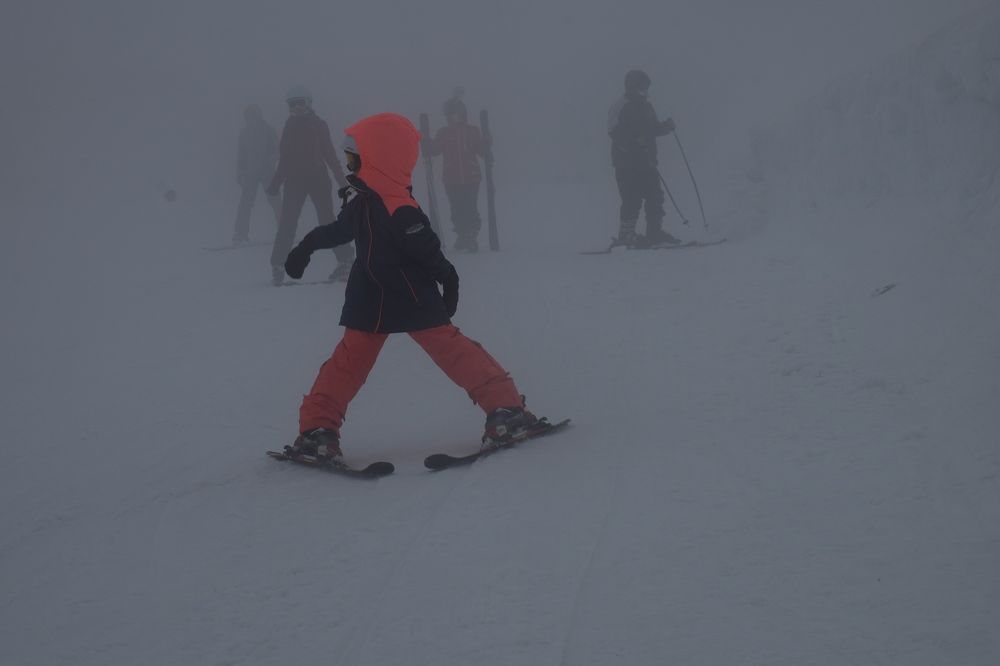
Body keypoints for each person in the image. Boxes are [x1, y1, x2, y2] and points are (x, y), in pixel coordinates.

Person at [282, 112, 538, 459]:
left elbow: (428, 250)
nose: (348, 165)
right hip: (369, 294)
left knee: (454, 351)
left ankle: (506, 410)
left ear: (376, 158)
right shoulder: (362, 201)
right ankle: (318, 431)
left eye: (352, 158)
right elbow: (338, 230)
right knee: (346, 363)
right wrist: (306, 247)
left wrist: (448, 277)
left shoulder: (398, 206)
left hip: (410, 293)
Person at [265, 86, 354, 286]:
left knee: (327, 220)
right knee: (288, 221)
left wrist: (343, 182)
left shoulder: (318, 125)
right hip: (294, 181)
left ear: (309, 103)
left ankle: (346, 260)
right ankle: (278, 264)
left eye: (301, 103)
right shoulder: (289, 126)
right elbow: (285, 158)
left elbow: (329, 154)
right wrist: (274, 184)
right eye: (293, 105)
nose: (297, 108)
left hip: (318, 179)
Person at [607, 69, 682, 246]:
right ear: (631, 87)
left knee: (655, 195)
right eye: (641, 89)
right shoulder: (621, 105)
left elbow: (652, 129)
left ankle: (654, 232)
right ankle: (626, 235)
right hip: (627, 163)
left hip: (647, 161)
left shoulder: (647, 107)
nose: (644, 92)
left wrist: (666, 127)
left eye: (646, 89)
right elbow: (613, 131)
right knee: (631, 197)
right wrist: (634, 143)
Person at [423, 92, 485, 252]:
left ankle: (471, 235)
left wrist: (487, 144)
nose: (454, 117)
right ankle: (462, 234)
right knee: (456, 207)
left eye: (457, 114)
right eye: (451, 115)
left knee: (470, 206)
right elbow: (435, 149)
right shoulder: (444, 133)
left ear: (463, 114)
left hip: (472, 177)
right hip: (452, 178)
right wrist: (426, 142)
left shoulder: (472, 131)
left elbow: (481, 150)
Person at [233, 104, 281, 245]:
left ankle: (285, 229)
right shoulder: (244, 134)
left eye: (253, 115)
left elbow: (277, 149)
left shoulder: (268, 130)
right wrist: (239, 172)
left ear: (259, 116)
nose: (251, 119)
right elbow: (241, 156)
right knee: (245, 203)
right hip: (250, 173)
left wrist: (270, 161)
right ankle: (240, 233)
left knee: (276, 202)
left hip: (268, 172)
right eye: (248, 117)